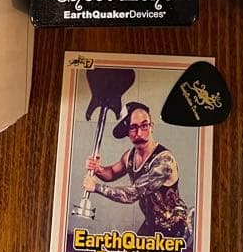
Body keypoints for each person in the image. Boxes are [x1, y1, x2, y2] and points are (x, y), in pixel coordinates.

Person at [82, 101, 191, 238]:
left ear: (151, 127)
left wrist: (96, 187)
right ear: (127, 132)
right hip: (151, 223)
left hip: (175, 227)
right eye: (133, 127)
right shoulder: (130, 156)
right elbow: (112, 173)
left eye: (144, 126)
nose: (139, 133)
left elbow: (133, 194)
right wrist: (98, 169)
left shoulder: (164, 161)